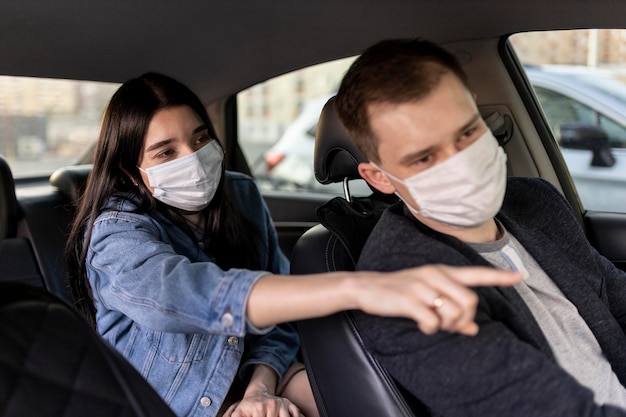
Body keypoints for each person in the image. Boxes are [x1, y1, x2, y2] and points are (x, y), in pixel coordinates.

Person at [66, 72, 522, 417]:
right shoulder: (114, 234)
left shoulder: (239, 194)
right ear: (130, 171)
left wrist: (260, 390)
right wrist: (354, 288)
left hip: (251, 380)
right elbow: (185, 296)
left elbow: (279, 326)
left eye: (201, 137)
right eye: (166, 152)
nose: (194, 158)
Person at [334, 38, 626, 417]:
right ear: (380, 178)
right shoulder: (402, 292)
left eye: (467, 133)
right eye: (425, 157)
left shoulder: (534, 203)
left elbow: (617, 301)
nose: (461, 164)